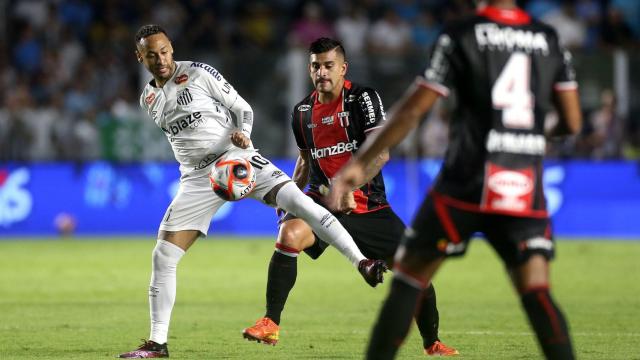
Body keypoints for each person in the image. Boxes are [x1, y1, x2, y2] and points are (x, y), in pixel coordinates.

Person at [330, 1, 582, 359]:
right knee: (537, 292)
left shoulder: (461, 33)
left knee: (408, 281)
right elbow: (571, 123)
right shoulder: (548, 38)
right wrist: (532, 134)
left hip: (464, 183)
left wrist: (360, 163)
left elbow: (416, 108)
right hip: (522, 185)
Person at [117, 25, 386, 359]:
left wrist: (243, 134)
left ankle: (361, 262)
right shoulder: (149, 98)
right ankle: (157, 344)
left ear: (171, 48)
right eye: (151, 55)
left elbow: (243, 108)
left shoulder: (199, 73)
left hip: (237, 158)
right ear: (139, 57)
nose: (160, 60)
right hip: (197, 179)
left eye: (164, 51)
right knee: (164, 255)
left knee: (299, 203)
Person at [241, 38, 458, 357]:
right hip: (320, 202)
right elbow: (306, 159)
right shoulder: (302, 112)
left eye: (329, 65)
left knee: (416, 266)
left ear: (343, 68)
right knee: (289, 233)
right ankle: (270, 323)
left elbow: (380, 154)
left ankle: (432, 342)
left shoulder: (362, 99)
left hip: (368, 207)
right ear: (309, 69)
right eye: (316, 65)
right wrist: (289, 195)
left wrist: (349, 188)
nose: (322, 72)